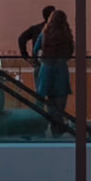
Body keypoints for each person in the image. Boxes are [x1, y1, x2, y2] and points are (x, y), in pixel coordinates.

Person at [34, 9, 73, 137]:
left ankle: (52, 127)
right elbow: (70, 52)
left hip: (47, 67)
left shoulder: (45, 34)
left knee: (49, 101)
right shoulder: (67, 35)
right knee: (60, 100)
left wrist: (39, 61)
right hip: (61, 68)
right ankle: (58, 128)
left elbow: (35, 50)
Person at [18, 5, 56, 82]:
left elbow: (21, 39)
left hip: (39, 64)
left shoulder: (36, 29)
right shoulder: (59, 30)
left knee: (39, 91)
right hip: (55, 64)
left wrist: (26, 56)